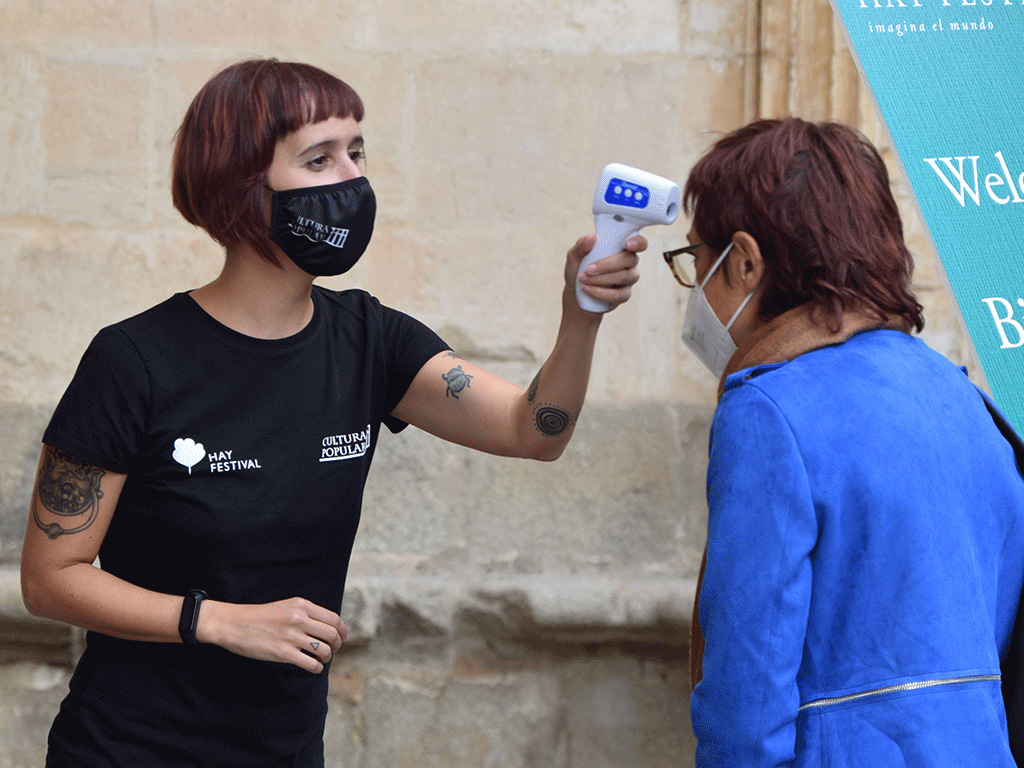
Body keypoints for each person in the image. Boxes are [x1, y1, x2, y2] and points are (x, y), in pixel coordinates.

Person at [19, 58, 643, 767]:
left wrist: (582, 316)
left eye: (357, 152)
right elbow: (50, 577)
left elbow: (532, 431)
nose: (351, 179)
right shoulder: (133, 360)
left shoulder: (372, 340)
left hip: (286, 752)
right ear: (239, 186)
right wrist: (216, 621)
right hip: (126, 750)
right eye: (319, 158)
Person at [667, 118, 1024, 767]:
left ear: (745, 261)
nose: (696, 288)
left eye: (696, 258)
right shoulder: (969, 400)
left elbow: (746, 691)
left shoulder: (769, 410)